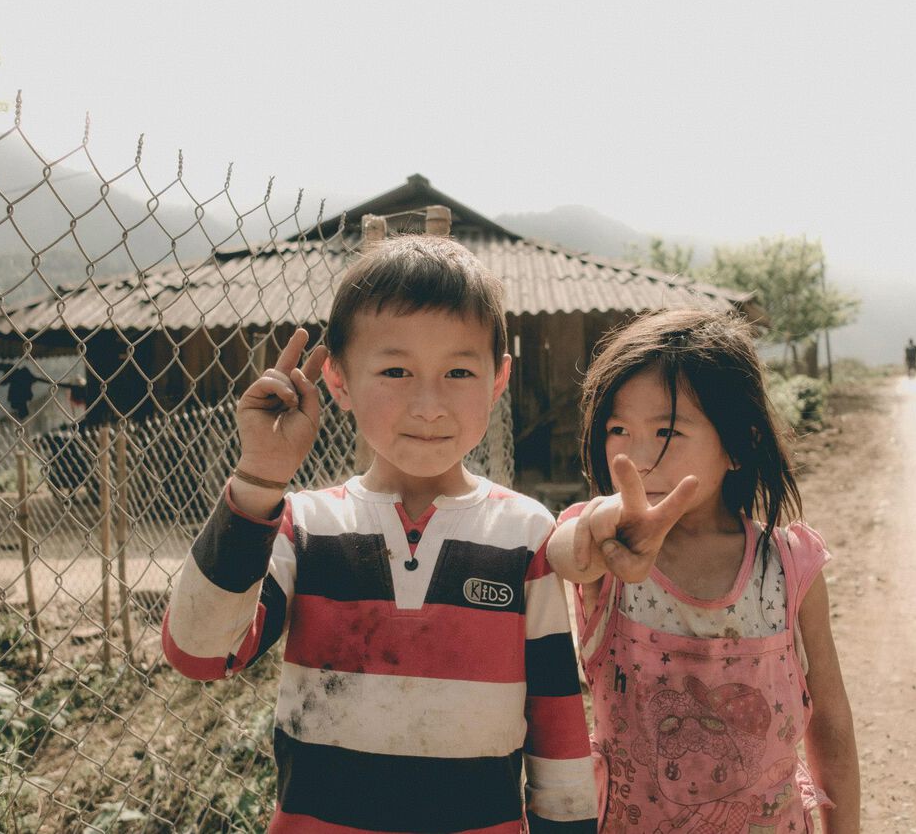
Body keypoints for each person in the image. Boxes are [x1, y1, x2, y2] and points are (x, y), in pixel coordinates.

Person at [163, 236, 597, 832]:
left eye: (458, 371)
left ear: (497, 381)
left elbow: (558, 728)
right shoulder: (303, 525)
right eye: (396, 370)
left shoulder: (526, 534)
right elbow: (200, 653)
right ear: (338, 380)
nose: (429, 404)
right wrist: (259, 479)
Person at [547, 308, 860, 833]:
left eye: (666, 430)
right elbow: (566, 553)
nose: (637, 457)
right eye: (618, 429)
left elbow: (829, 718)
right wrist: (611, 522)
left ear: (739, 444)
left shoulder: (788, 564)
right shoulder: (604, 549)